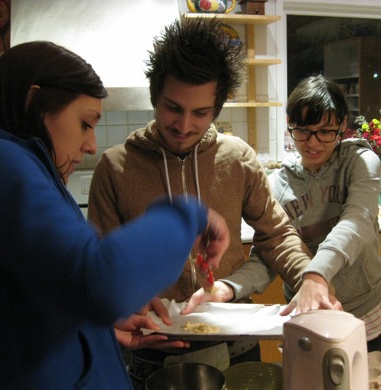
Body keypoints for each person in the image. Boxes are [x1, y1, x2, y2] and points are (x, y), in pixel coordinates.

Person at [0, 40, 230, 389]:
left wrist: (94, 328)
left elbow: (30, 297)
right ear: (34, 102)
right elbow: (100, 280)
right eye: (86, 123)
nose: (91, 144)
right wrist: (188, 215)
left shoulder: (1, 163)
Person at [87, 17, 325, 388]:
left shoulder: (237, 159)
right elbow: (101, 268)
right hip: (152, 349)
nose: (184, 125)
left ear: (216, 109)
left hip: (235, 342)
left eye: (200, 113)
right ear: (155, 97)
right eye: (172, 108)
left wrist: (311, 277)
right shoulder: (115, 167)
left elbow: (276, 236)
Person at [270, 75, 381, 352]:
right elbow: (269, 250)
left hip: (364, 308)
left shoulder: (361, 162)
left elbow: (356, 220)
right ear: (290, 124)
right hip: (308, 311)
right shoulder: (277, 184)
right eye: (302, 130)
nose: (312, 143)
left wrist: (316, 274)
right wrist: (229, 287)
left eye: (325, 131)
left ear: (343, 125)